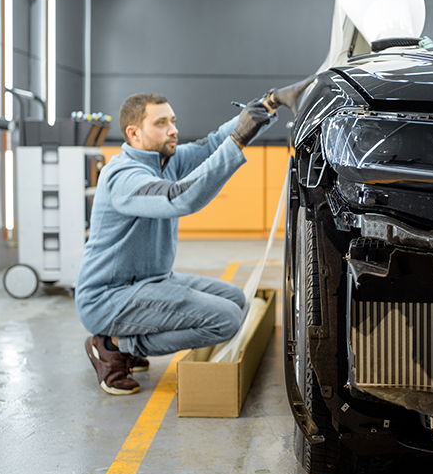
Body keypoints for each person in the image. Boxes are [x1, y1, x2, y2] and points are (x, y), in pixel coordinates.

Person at [75, 78, 313, 395]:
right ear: (134, 133)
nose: (173, 129)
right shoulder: (122, 176)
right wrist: (238, 141)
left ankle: (127, 344)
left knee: (237, 301)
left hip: (153, 280)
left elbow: (214, 142)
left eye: (172, 121)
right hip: (108, 297)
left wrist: (270, 102)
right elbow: (179, 198)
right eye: (161, 123)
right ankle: (113, 344)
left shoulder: (166, 161)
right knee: (226, 320)